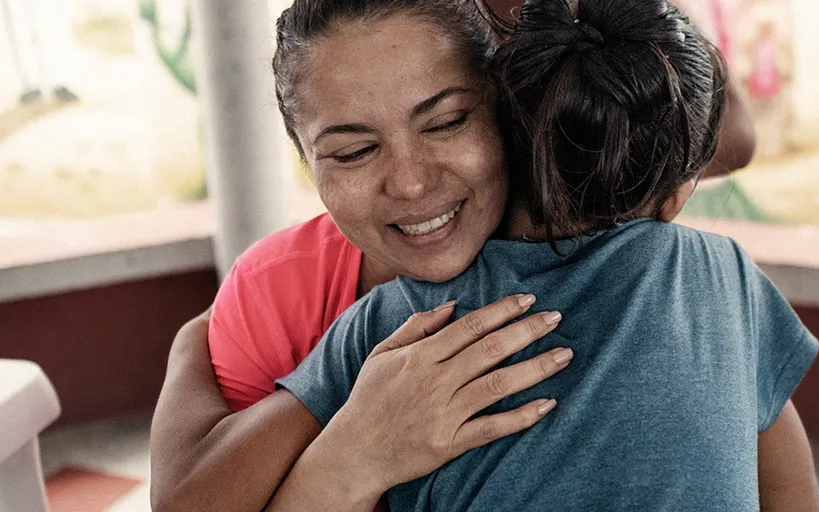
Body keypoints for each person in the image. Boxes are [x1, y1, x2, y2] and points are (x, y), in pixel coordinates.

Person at [150, 0, 763, 510]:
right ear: (305, 158)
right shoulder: (283, 294)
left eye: (446, 121)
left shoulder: (674, 283)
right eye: (354, 151)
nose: (412, 184)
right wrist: (351, 456)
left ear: (515, 110)